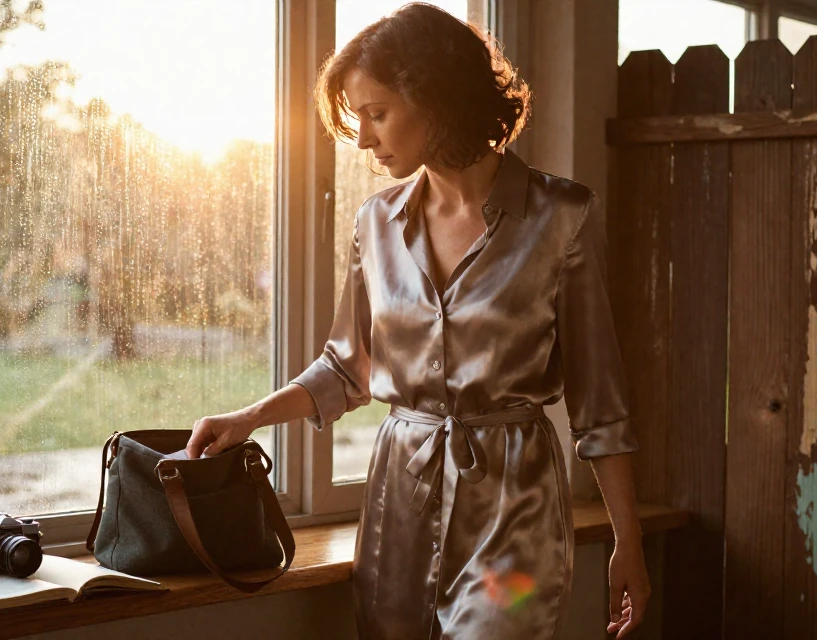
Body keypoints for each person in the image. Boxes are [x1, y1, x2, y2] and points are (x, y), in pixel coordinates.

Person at [184, 3, 650, 638]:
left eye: (376, 113)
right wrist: (249, 419)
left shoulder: (561, 217)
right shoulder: (375, 223)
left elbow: (601, 403)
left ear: (436, 97)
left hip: (514, 514)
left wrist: (629, 542)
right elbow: (346, 368)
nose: (362, 139)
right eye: (357, 117)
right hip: (398, 508)